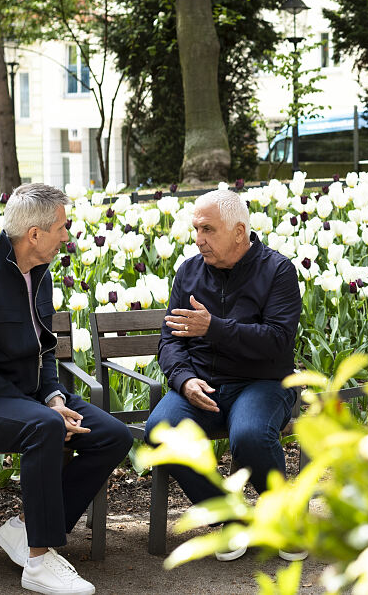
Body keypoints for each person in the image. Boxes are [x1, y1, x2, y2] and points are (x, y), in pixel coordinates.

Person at [0, 183, 132, 595]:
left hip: (31, 401)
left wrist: (54, 398)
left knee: (112, 436)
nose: (67, 236)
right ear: (34, 235)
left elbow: (46, 352)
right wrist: (43, 411)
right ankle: (40, 562)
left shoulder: (39, 278)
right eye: (62, 227)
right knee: (44, 428)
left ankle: (27, 530)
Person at [146, 188, 305, 562]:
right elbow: (170, 340)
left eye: (208, 230)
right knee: (161, 431)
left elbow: (278, 342)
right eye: (196, 229)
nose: (198, 239)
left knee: (249, 434)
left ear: (238, 232)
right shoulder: (189, 271)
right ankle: (232, 518)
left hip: (262, 383)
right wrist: (184, 379)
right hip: (202, 384)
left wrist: (213, 328)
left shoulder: (278, 271)